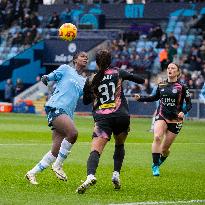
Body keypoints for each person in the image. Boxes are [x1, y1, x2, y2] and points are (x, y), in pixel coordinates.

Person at [76, 49, 145, 194]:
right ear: (110, 61)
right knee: (119, 145)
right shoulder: (118, 72)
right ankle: (115, 174)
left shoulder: (91, 79)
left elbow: (86, 100)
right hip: (122, 116)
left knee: (95, 150)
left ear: (96, 63)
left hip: (103, 119)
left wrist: (94, 93)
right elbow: (141, 80)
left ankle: (90, 176)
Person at [25, 52, 88, 184]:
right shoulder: (66, 69)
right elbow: (52, 76)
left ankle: (32, 173)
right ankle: (58, 166)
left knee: (55, 150)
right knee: (73, 133)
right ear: (75, 60)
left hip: (67, 114)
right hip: (56, 107)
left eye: (87, 57)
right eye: (82, 56)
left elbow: (87, 98)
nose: (85, 58)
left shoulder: (83, 81)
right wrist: (46, 77)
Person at [134, 63, 192, 176]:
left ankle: (162, 158)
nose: (170, 70)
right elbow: (154, 97)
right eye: (168, 68)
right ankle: (155, 165)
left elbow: (189, 104)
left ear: (178, 72)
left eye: (173, 68)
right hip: (162, 116)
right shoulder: (161, 85)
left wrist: (183, 112)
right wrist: (141, 98)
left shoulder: (183, 87)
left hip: (176, 120)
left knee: (165, 149)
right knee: (157, 137)